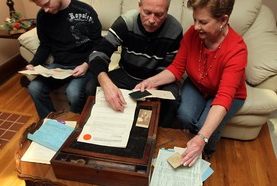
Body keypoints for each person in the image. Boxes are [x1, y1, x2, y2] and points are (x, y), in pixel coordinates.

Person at [135, 0, 248, 166]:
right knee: (184, 115)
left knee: (205, 125)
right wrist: (151, 81)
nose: (195, 27)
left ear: (223, 20)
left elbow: (223, 98)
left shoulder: (237, 50)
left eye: (203, 22)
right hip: (197, 85)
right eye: (195, 20)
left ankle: (206, 153)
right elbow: (177, 68)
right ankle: (189, 145)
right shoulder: (193, 34)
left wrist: (202, 139)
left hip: (226, 95)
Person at [88, 0, 183, 128]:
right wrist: (106, 84)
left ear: (167, 11)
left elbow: (169, 67)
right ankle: (102, 127)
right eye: (147, 12)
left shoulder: (175, 29)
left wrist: (155, 84)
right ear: (139, 6)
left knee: (172, 99)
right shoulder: (126, 22)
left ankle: (155, 133)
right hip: (127, 74)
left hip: (157, 77)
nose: (151, 20)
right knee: (91, 86)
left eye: (159, 14)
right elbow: (98, 53)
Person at [26, 0, 102, 119]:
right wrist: (33, 64)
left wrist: (86, 64)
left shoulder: (85, 11)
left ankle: (75, 124)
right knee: (34, 88)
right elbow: (45, 45)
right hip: (59, 65)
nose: (45, 9)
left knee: (74, 93)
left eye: (46, 4)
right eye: (41, 6)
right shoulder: (42, 16)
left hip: (83, 64)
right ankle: (51, 123)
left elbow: (98, 43)